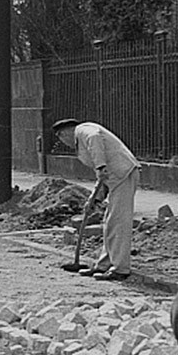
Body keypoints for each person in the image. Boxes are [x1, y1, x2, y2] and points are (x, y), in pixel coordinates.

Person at [53, 118, 140, 281]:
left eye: (61, 138)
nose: (63, 142)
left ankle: (121, 269)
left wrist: (100, 166)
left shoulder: (84, 130)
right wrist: (95, 199)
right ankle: (103, 265)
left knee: (118, 222)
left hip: (124, 175)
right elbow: (102, 178)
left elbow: (95, 139)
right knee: (109, 223)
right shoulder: (83, 141)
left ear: (64, 133)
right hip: (115, 179)